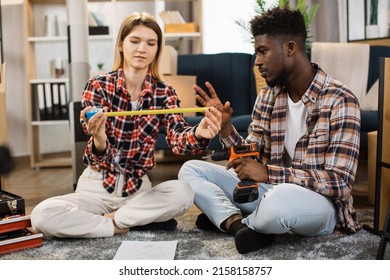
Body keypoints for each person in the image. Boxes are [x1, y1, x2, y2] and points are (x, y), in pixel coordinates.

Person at [178, 7, 361, 254]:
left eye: (263, 51)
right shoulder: (268, 96)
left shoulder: (340, 99)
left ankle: (230, 217)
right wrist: (225, 128)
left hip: (318, 205)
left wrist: (269, 173)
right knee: (191, 171)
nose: (257, 61)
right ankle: (237, 225)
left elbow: (340, 182)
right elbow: (250, 159)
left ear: (290, 48)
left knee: (280, 199)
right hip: (271, 191)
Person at [30, 12, 222, 238]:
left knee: (184, 192)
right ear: (121, 44)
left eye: (151, 43)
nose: (142, 48)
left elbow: (178, 139)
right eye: (135, 41)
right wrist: (100, 139)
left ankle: (108, 222)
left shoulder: (165, 92)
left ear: (157, 50)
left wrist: (199, 133)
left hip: (138, 191)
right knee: (41, 214)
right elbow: (96, 155)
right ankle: (128, 223)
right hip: (94, 189)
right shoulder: (98, 86)